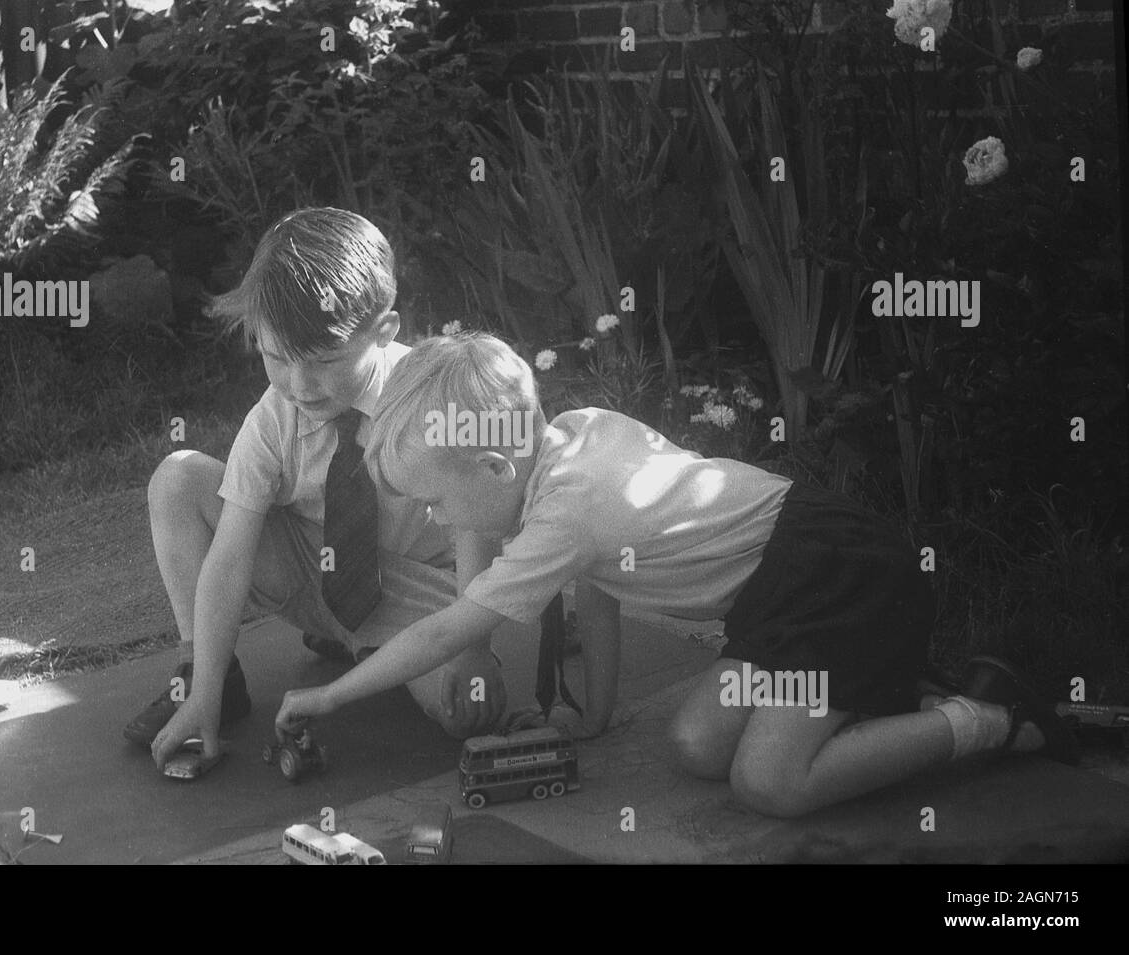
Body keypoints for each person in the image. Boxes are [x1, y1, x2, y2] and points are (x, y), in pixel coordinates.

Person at [274, 331, 1076, 817]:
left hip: (842, 580)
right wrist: (595, 713)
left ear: (490, 462)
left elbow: (450, 627)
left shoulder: (568, 512)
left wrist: (331, 695)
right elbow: (601, 585)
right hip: (788, 587)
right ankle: (881, 694)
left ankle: (987, 716)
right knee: (695, 744)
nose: (440, 524)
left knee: (772, 785)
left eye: (437, 504)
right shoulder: (570, 435)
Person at [132, 210, 506, 774]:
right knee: (178, 477)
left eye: (325, 362)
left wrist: (471, 645)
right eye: (276, 358)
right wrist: (203, 691)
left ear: (385, 332)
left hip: (413, 594)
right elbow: (230, 559)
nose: (300, 386)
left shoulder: (431, 401)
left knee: (469, 712)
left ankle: (368, 645)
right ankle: (209, 678)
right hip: (309, 571)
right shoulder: (275, 417)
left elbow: (475, 526)